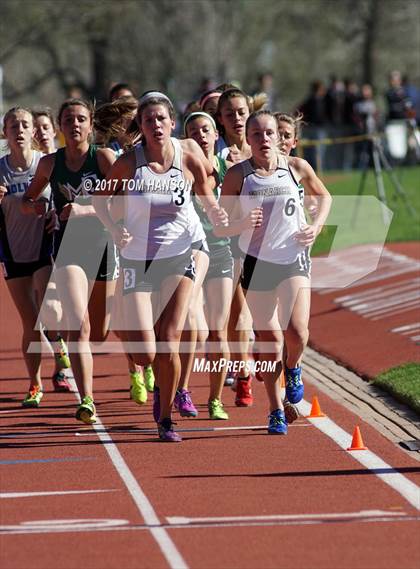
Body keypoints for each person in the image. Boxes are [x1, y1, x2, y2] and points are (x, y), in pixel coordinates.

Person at [92, 91, 227, 442]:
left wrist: (215, 212)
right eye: (148, 120)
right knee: (144, 353)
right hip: (138, 258)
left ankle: (166, 416)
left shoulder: (187, 156)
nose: (155, 125)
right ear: (142, 126)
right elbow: (101, 199)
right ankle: (156, 378)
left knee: (169, 339)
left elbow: (205, 193)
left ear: (171, 123)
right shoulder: (129, 162)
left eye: (161, 119)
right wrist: (114, 226)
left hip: (181, 255)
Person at [216, 110, 331, 434]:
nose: (264, 139)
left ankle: (293, 368)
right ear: (248, 139)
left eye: (269, 133)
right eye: (256, 134)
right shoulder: (239, 174)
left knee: (297, 333)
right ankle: (276, 409)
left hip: (293, 257)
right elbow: (221, 225)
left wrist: (316, 227)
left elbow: (324, 197)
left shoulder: (296, 168)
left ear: (280, 138)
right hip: (256, 262)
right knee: (269, 338)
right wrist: (241, 223)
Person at [22, 98, 117, 424]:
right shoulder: (50, 164)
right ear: (60, 127)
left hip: (105, 247)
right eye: (68, 120)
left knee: (101, 332)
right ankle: (87, 398)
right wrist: (39, 209)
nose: (74, 125)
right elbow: (28, 200)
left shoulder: (103, 158)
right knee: (80, 326)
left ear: (90, 125)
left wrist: (87, 210)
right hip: (70, 248)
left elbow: (129, 204)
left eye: (80, 119)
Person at [0, 107, 69, 406]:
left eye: (24, 124)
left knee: (49, 309)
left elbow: (65, 198)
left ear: (33, 131)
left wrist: (56, 215)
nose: (19, 130)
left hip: (43, 247)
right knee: (30, 321)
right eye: (12, 125)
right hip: (13, 251)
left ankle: (61, 350)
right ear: (5, 133)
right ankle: (35, 384)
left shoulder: (46, 164)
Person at [182, 111, 236, 416]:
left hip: (221, 252)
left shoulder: (231, 169)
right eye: (194, 131)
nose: (201, 135)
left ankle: (215, 399)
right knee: (192, 326)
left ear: (217, 134)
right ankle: (183, 389)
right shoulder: (182, 169)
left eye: (206, 130)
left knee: (217, 331)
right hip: (190, 251)